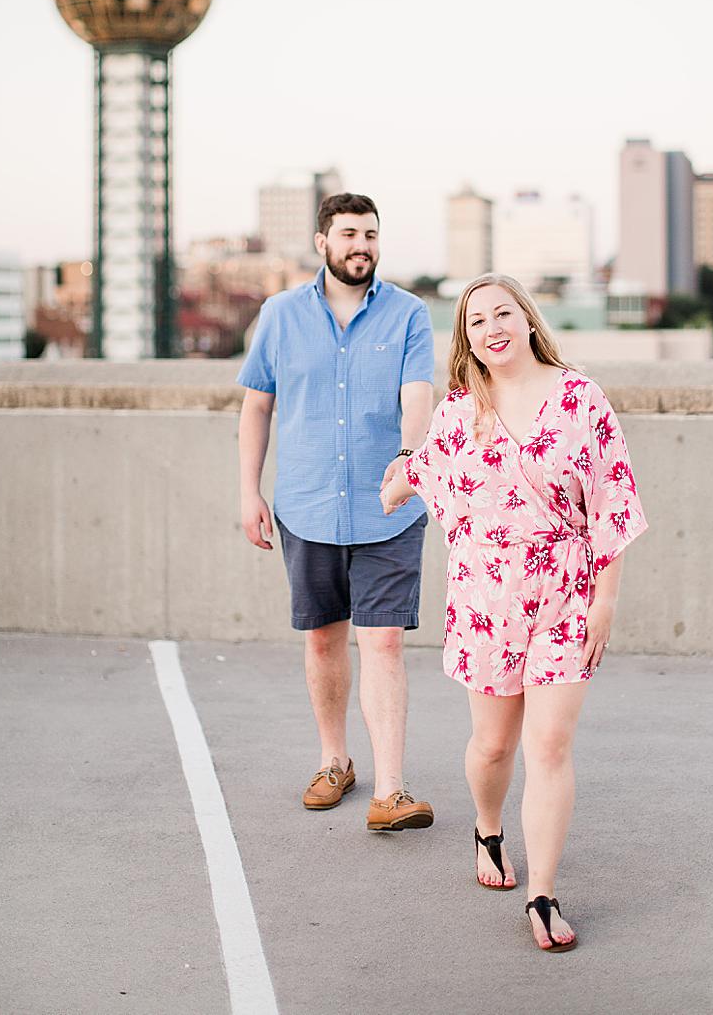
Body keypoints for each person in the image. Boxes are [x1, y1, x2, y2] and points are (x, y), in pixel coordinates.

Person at [380, 274, 647, 949]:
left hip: (566, 595)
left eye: (503, 312)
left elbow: (613, 503)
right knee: (493, 744)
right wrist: (401, 480)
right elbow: (427, 467)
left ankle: (543, 895)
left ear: (528, 320)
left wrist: (605, 602)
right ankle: (489, 827)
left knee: (549, 745)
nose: (491, 327)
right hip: (485, 599)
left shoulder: (581, 399)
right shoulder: (460, 411)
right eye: (476, 321)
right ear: (466, 339)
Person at [237, 192, 437, 831]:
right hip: (307, 503)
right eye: (349, 233)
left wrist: (409, 458)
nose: (362, 245)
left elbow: (418, 393)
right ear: (322, 242)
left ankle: (393, 791)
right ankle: (334, 762)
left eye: (372, 234)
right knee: (324, 639)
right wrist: (250, 492)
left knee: (381, 642)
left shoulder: (408, 314)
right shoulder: (280, 314)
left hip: (389, 507)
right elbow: (257, 407)